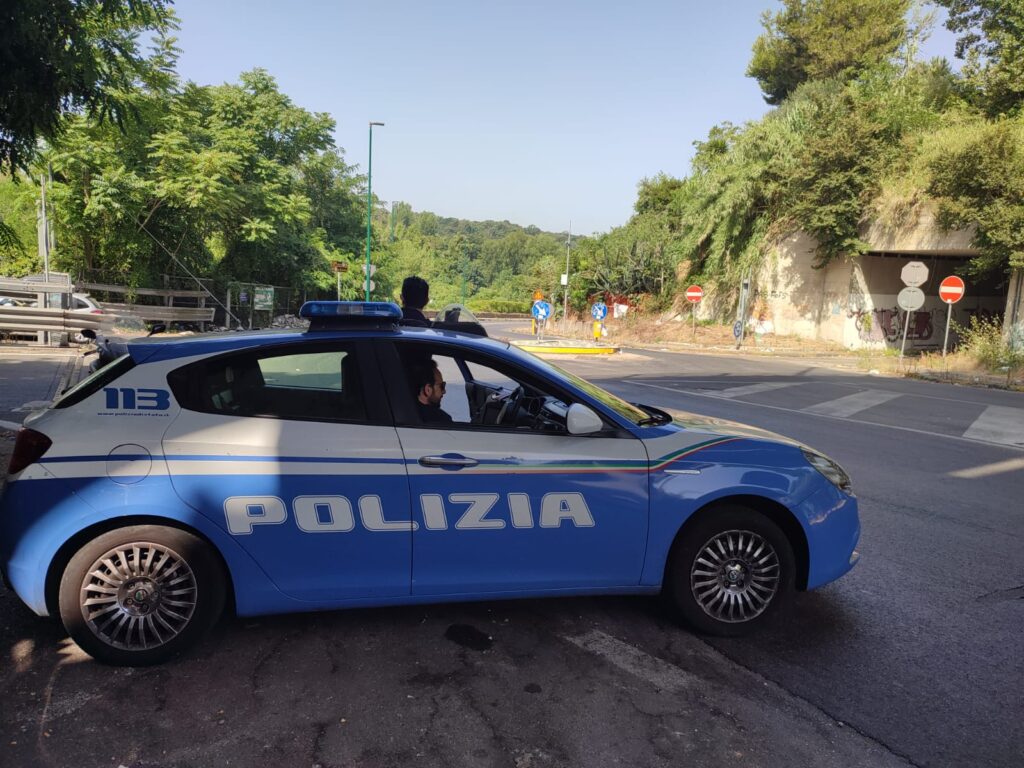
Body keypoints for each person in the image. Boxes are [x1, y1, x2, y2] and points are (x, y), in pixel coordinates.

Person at [410, 357, 453, 425]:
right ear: (428, 389)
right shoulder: (442, 420)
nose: (444, 391)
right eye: (442, 386)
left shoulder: (406, 411)